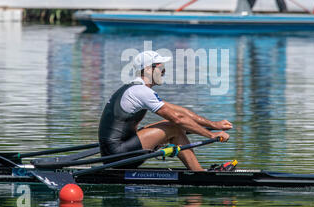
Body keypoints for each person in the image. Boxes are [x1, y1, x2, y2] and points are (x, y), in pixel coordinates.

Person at [98, 50, 232, 171]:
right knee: (174, 127)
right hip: (118, 156)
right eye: (161, 68)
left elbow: (180, 112)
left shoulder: (135, 89)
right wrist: (211, 135)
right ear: (148, 69)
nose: (164, 72)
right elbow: (178, 119)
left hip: (115, 153)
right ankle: (199, 173)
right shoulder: (141, 91)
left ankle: (197, 171)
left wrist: (214, 125)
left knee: (170, 124)